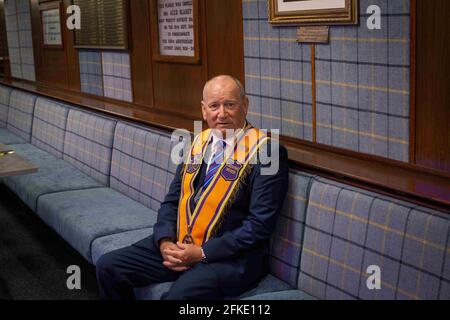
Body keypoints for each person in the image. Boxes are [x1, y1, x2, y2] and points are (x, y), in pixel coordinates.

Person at [96, 75, 289, 300]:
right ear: (204, 110)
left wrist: (202, 253)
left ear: (245, 106)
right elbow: (172, 199)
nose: (222, 114)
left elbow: (259, 226)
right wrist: (165, 241)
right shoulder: (197, 143)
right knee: (108, 267)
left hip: (231, 257)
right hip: (182, 241)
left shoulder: (268, 152)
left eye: (230, 104)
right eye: (214, 106)